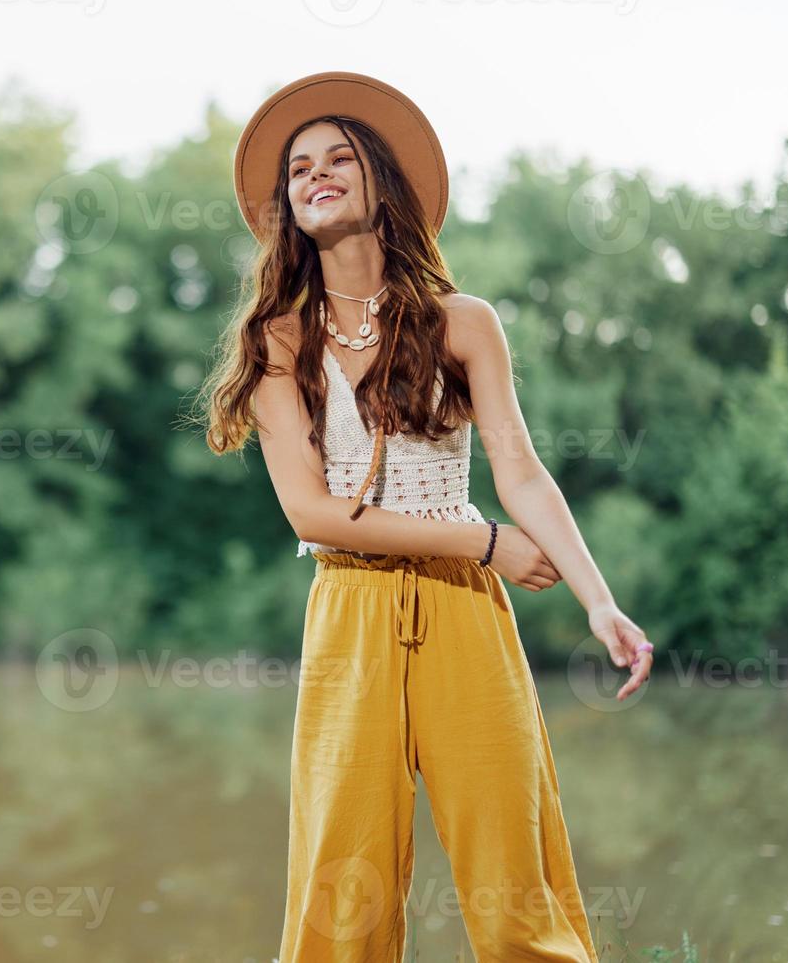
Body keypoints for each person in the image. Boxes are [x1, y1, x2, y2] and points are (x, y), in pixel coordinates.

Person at [202, 71, 653, 961]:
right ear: (288, 207)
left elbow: (520, 471)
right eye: (299, 169)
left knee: (510, 874)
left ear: (381, 185)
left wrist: (597, 601)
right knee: (344, 887)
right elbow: (315, 514)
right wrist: (484, 541)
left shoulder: (464, 323)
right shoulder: (277, 344)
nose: (317, 174)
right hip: (350, 613)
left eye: (339, 158)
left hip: (465, 618)